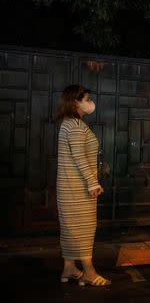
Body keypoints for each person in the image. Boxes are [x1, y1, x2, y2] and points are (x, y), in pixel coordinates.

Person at [56, 85, 109, 287]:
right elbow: (79, 158)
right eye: (86, 99)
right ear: (75, 102)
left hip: (69, 187)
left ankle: (69, 268)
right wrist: (92, 182)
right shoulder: (76, 126)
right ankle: (88, 271)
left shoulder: (67, 123)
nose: (90, 102)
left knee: (70, 228)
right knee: (83, 228)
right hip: (78, 188)